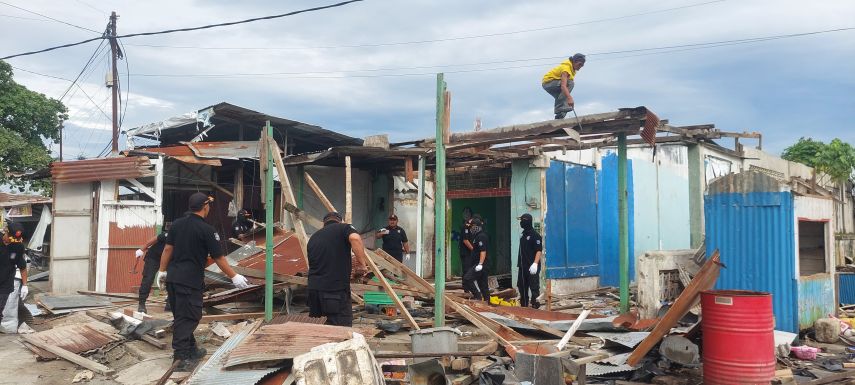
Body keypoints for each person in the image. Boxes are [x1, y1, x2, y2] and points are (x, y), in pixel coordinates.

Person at [156, 193, 250, 372]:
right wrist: (234, 276)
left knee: (181, 315)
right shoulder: (207, 230)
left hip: (173, 279)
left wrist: (161, 271)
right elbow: (219, 258)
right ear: (205, 207)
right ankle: (180, 358)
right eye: (209, 206)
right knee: (189, 317)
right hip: (189, 281)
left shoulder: (176, 224)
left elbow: (168, 248)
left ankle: (192, 349)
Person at [308, 212, 370, 326]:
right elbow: (355, 238)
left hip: (314, 291)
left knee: (319, 328)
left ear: (324, 223)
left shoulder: (314, 237)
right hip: (334, 292)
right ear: (340, 221)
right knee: (341, 329)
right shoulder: (344, 228)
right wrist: (362, 264)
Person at [133, 224, 170, 314]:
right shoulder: (167, 235)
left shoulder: (185, 239)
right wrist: (142, 249)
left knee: (171, 280)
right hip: (154, 257)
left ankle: (169, 303)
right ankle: (141, 304)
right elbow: (152, 240)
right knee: (148, 279)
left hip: (168, 259)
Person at [542, 53, 586, 119]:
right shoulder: (566, 69)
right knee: (570, 84)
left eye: (582, 65)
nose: (580, 67)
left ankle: (559, 118)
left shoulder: (572, 69)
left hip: (554, 84)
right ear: (574, 61)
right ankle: (559, 107)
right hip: (548, 83)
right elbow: (563, 86)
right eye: (579, 64)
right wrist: (570, 98)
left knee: (565, 104)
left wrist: (567, 98)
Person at [0, 221, 27, 323]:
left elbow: (22, 267)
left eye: (16, 240)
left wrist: (25, 285)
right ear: (6, 232)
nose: (12, 242)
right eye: (11, 239)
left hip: (5, 284)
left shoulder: (18, 247)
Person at [517, 214, 543, 309]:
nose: (521, 223)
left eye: (522, 220)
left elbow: (538, 250)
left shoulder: (535, 235)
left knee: (534, 287)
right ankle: (524, 305)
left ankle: (535, 305)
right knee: (522, 286)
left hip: (532, 266)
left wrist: (535, 263)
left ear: (527, 221)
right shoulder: (523, 235)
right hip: (522, 266)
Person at [462, 217, 490, 302]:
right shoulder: (477, 236)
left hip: (480, 265)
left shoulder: (481, 236)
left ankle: (478, 297)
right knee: (483, 285)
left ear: (476, 226)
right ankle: (487, 302)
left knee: (467, 279)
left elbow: (483, 251)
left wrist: (480, 264)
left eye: (472, 227)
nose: (471, 229)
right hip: (479, 264)